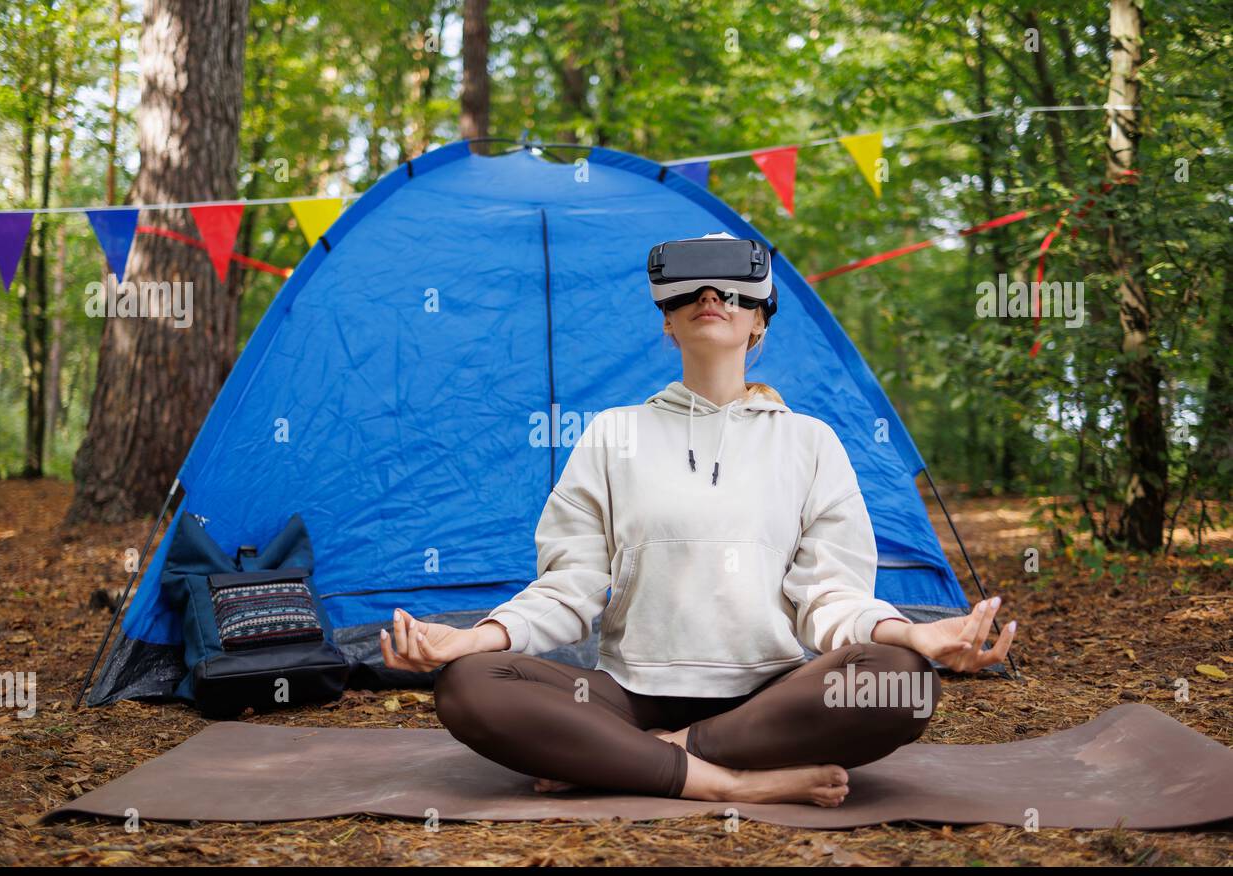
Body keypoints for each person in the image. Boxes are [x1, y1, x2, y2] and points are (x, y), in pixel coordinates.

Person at [379, 233, 1017, 806]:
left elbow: (831, 598)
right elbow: (567, 589)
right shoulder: (612, 433)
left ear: (759, 323)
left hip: (772, 700)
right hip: (626, 698)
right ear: (668, 323)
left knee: (900, 683)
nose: (711, 295)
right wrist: (472, 639)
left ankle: (648, 757)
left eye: (734, 290)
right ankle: (727, 780)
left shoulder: (810, 442)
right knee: (470, 685)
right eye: (691, 288)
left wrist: (913, 637)